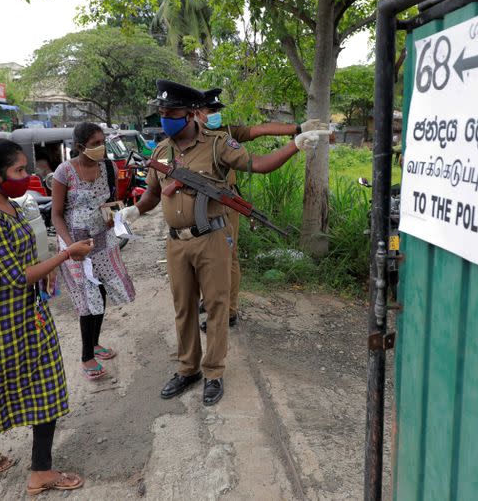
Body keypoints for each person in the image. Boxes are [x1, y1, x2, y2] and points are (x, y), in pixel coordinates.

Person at [120, 80, 325, 406]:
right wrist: (134, 210)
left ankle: (213, 372)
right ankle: (188, 369)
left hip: (211, 238)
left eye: (170, 112)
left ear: (189, 114)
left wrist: (294, 145)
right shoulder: (160, 151)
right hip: (176, 244)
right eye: (160, 113)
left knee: (216, 307)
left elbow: (258, 164)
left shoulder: (217, 144)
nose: (164, 118)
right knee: (183, 309)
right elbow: (153, 194)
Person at [0, 138, 93, 495]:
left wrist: (47, 270)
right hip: (3, 320)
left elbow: (24, 258)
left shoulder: (9, 206)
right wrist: (65, 255)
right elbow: (14, 276)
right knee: (46, 385)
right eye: (19, 170)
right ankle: (40, 472)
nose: (27, 175)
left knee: (2, 386)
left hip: (27, 313)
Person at [195, 88, 328, 332]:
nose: (215, 115)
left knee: (227, 257)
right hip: (197, 204)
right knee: (204, 257)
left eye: (216, 110)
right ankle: (210, 299)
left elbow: (260, 129)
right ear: (196, 113)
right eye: (210, 110)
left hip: (224, 201)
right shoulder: (188, 138)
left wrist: (298, 128)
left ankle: (229, 312)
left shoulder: (224, 133)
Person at [51, 122, 136, 380]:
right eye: (95, 143)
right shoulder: (64, 172)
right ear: (79, 147)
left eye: (102, 141)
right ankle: (87, 355)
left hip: (103, 242)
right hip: (76, 246)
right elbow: (56, 215)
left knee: (101, 290)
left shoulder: (108, 167)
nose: (101, 147)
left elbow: (109, 201)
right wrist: (70, 246)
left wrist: (112, 217)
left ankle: (96, 343)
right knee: (87, 301)